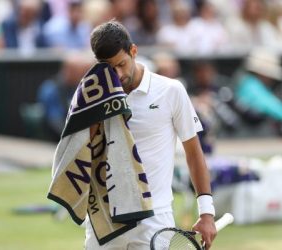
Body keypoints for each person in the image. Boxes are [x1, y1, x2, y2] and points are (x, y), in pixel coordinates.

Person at [86, 20, 217, 249]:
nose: (117, 73)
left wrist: (207, 212)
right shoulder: (89, 96)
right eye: (108, 68)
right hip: (104, 217)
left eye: (121, 64)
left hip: (154, 218)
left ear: (133, 51)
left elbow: (194, 153)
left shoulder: (171, 90)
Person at [37, 52, 93, 141]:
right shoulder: (50, 89)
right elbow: (55, 122)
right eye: (80, 73)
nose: (84, 76)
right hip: (55, 142)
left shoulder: (81, 88)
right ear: (68, 70)